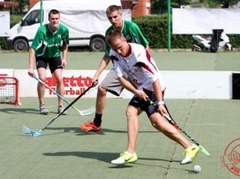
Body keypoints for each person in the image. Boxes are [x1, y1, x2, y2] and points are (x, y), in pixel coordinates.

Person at [105, 29, 200, 165]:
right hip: (141, 88)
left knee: (156, 122)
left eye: (120, 47)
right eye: (115, 49)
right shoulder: (114, 53)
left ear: (125, 41)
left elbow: (155, 79)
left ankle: (189, 146)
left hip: (154, 87)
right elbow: (121, 78)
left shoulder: (138, 53)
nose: (119, 52)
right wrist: (136, 91)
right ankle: (131, 152)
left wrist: (160, 102)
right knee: (134, 113)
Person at [80, 5, 149, 132]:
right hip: (121, 68)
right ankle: (97, 123)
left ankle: (169, 121)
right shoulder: (109, 33)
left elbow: (145, 47)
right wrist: (96, 76)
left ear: (120, 15)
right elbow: (107, 56)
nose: (113, 20)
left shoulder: (132, 27)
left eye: (115, 17)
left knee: (149, 96)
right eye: (110, 18)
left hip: (137, 69)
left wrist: (145, 67)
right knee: (101, 88)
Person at [28, 9, 69, 115]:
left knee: (59, 78)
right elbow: (32, 49)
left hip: (55, 56)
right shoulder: (42, 30)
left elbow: (65, 44)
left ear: (59, 19)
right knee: (42, 78)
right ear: (48, 19)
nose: (54, 21)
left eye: (56, 19)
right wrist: (31, 67)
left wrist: (64, 58)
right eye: (52, 19)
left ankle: (61, 106)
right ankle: (42, 105)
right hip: (42, 56)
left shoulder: (64, 30)